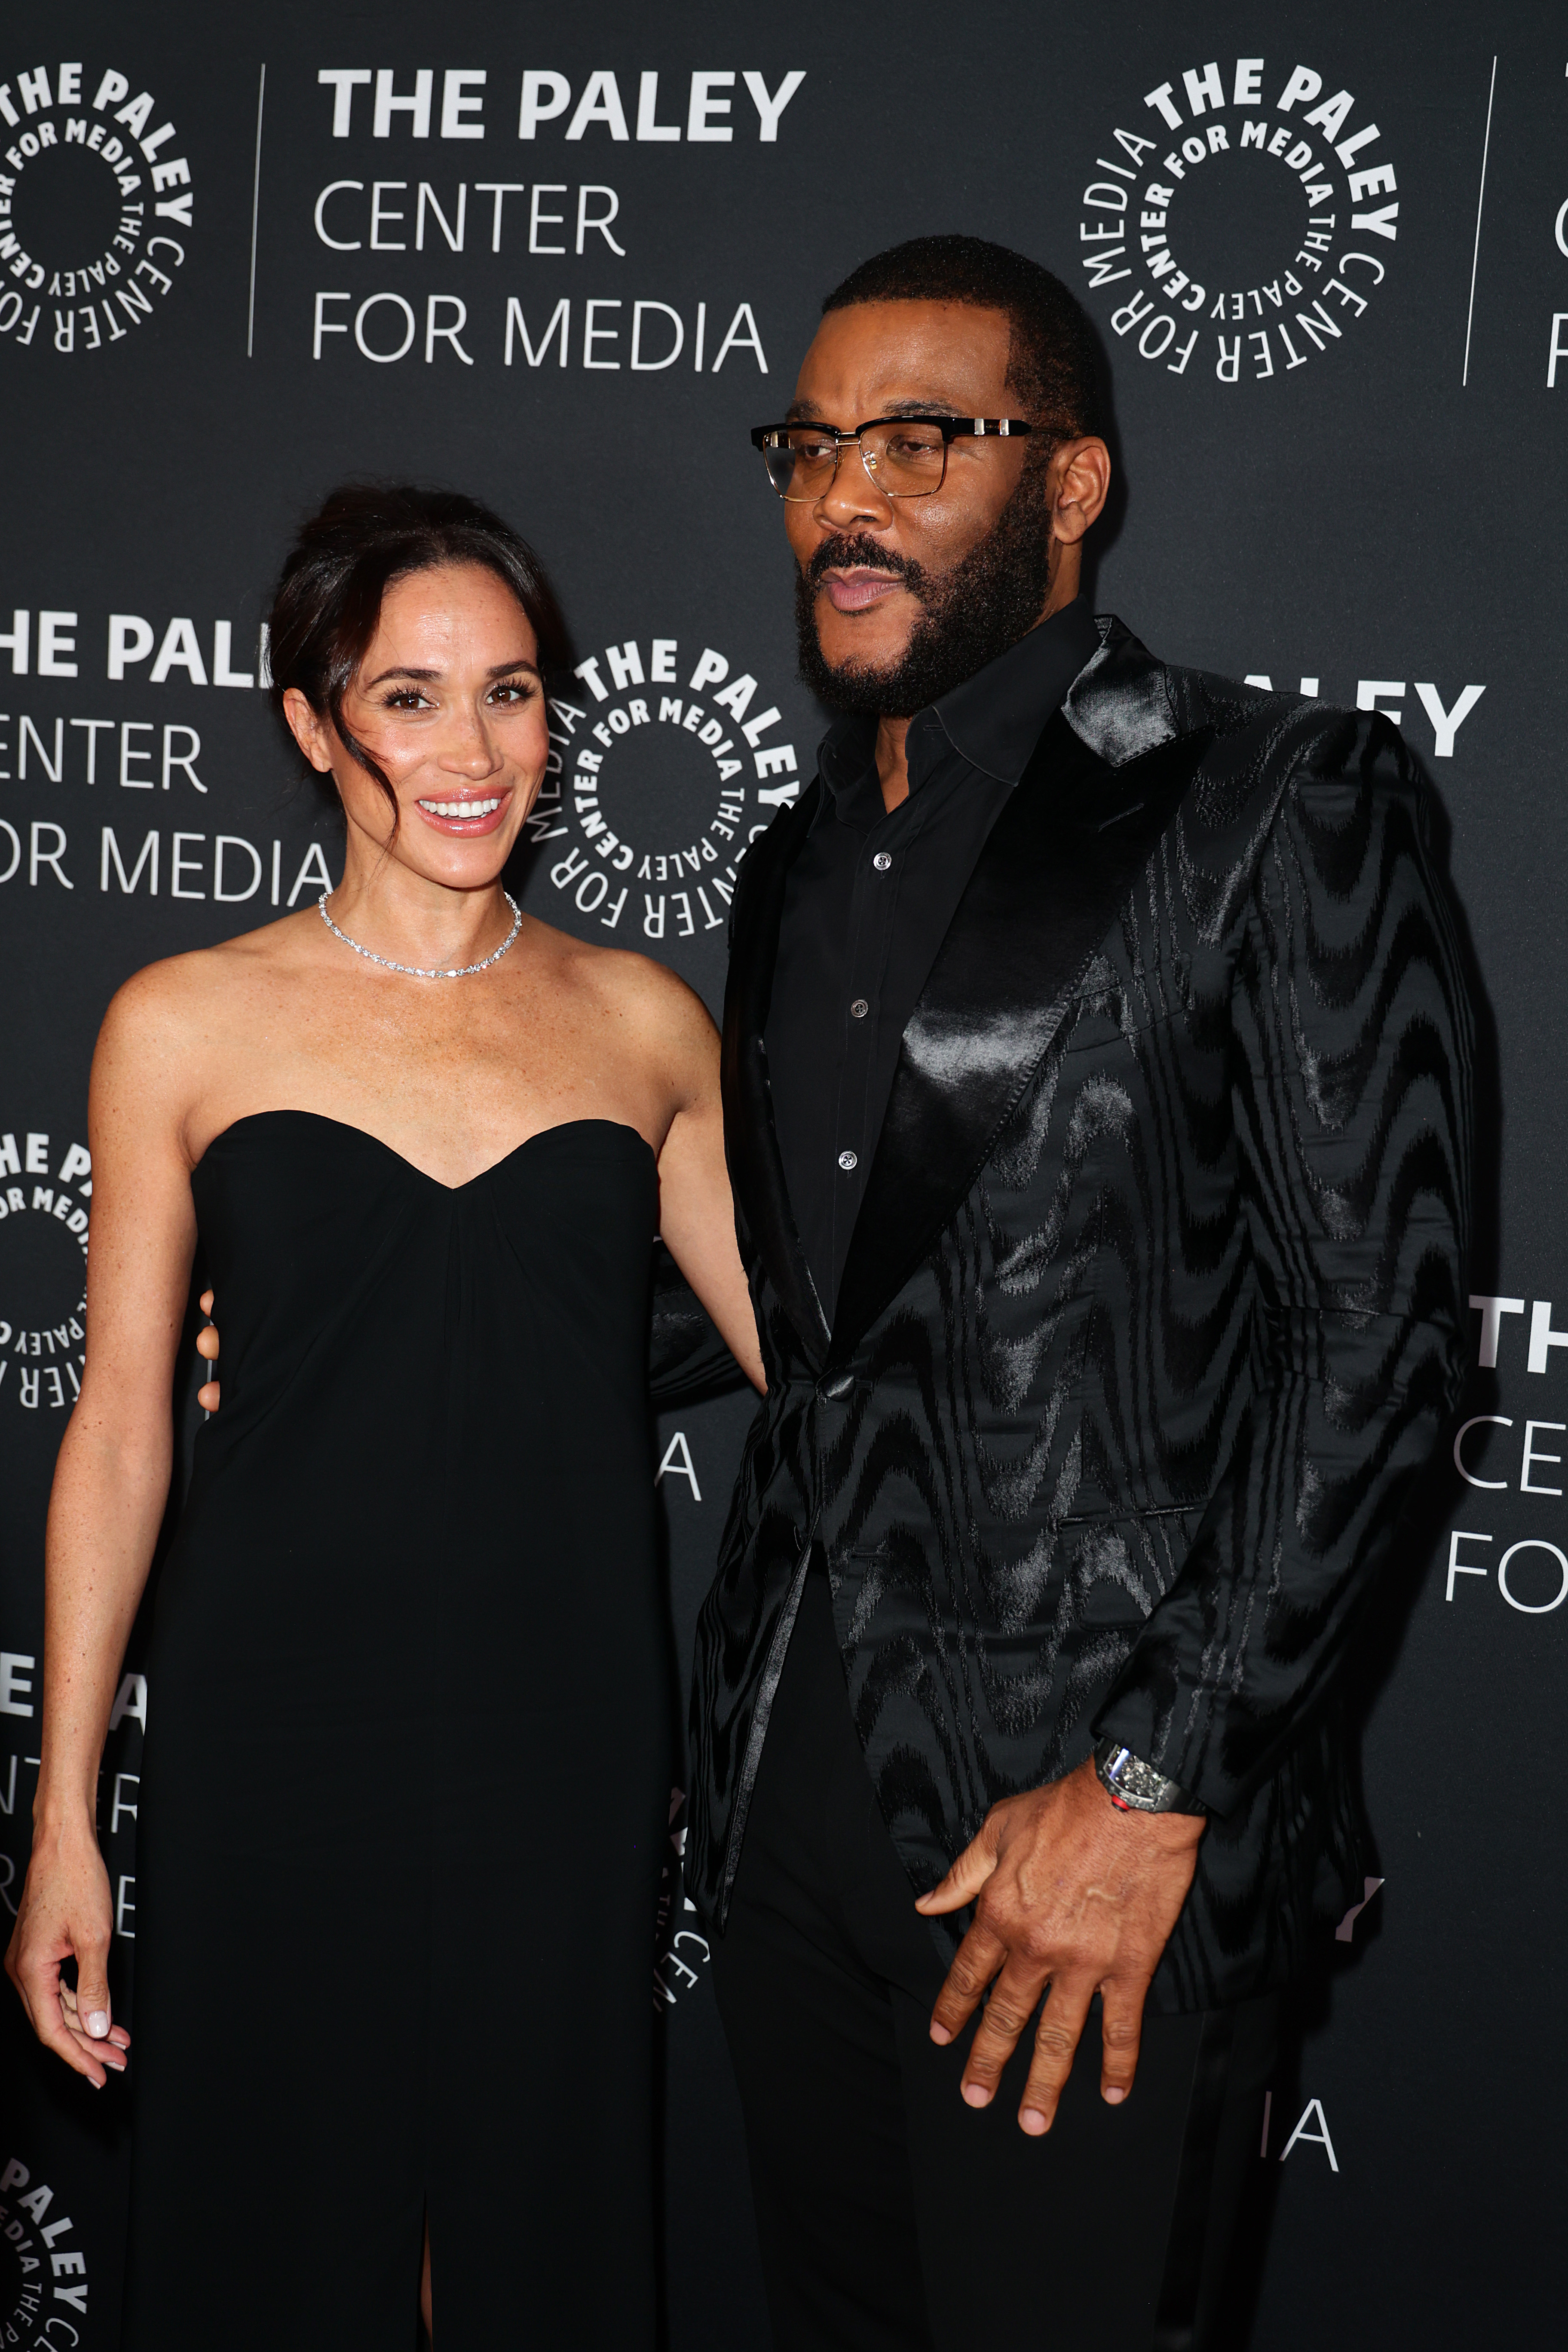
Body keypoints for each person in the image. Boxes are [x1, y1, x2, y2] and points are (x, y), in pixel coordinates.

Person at [689, 236, 1474, 2349]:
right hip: (790, 1789)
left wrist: (1158, 1782)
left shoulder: (1274, 801)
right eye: (813, 443)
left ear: (1072, 485)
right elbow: (813, 1285)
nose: (844, 495)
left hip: (1088, 1830)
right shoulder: (791, 858)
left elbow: (1379, 1334)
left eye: (922, 438)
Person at [4, 484, 763, 2349]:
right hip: (278, 1734)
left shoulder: (646, 1024)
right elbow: (120, 1423)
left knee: (541, 2236)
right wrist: (64, 1816)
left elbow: (802, 1359)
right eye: (410, 697)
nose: (473, 747)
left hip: (563, 1740)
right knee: (272, 2243)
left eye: (511, 692)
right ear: (311, 720)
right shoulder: (184, 1022)